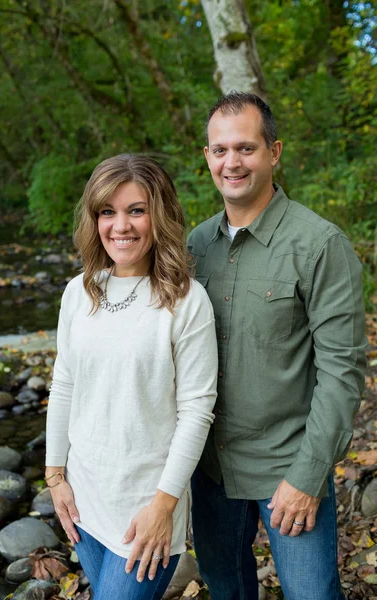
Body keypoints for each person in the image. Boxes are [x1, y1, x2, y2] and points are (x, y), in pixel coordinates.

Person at [187, 92, 367, 600]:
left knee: (312, 594)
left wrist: (309, 475)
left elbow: (343, 371)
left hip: (288, 466)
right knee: (227, 591)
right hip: (211, 470)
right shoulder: (194, 247)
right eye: (220, 150)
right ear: (207, 157)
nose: (232, 162)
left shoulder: (319, 244)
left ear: (274, 152)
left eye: (245, 148)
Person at [45, 154, 218, 600]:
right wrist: (55, 476)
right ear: (94, 219)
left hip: (146, 508)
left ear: (160, 216)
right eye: (108, 211)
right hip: (83, 498)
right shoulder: (78, 291)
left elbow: (197, 412)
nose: (121, 225)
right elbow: (64, 383)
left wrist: (165, 506)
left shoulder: (187, 301)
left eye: (136, 210)